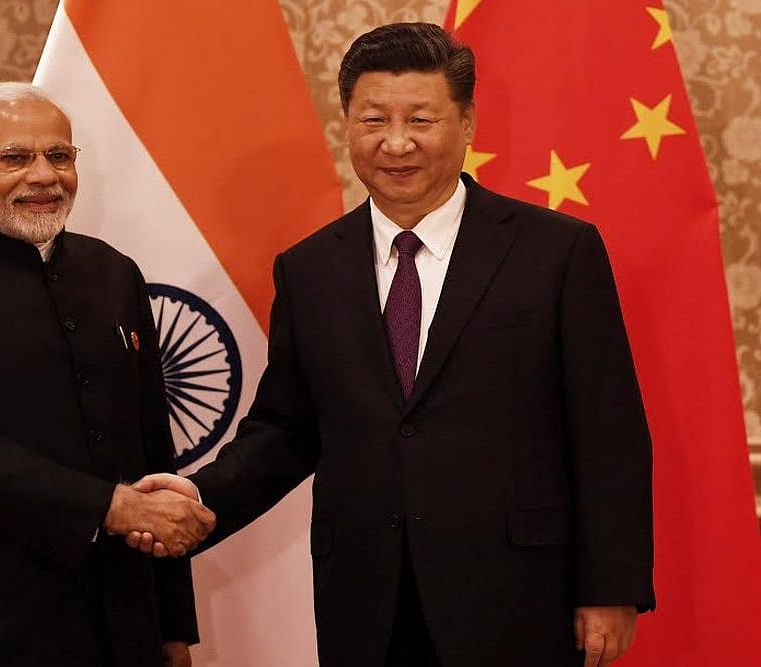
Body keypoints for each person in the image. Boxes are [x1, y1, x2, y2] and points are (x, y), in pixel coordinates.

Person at [129, 23, 654, 667]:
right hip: (366, 598)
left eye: (421, 119)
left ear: (466, 124)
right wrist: (203, 498)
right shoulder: (309, 268)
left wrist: (610, 589)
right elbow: (287, 429)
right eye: (374, 118)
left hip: (518, 596)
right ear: (347, 122)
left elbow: (608, 431)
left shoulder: (558, 251)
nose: (396, 143)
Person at [0, 81, 215, 667]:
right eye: (14, 158)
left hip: (114, 620)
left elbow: (151, 447)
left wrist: (172, 626)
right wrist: (110, 506)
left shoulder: (114, 273)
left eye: (59, 155)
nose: (44, 175)